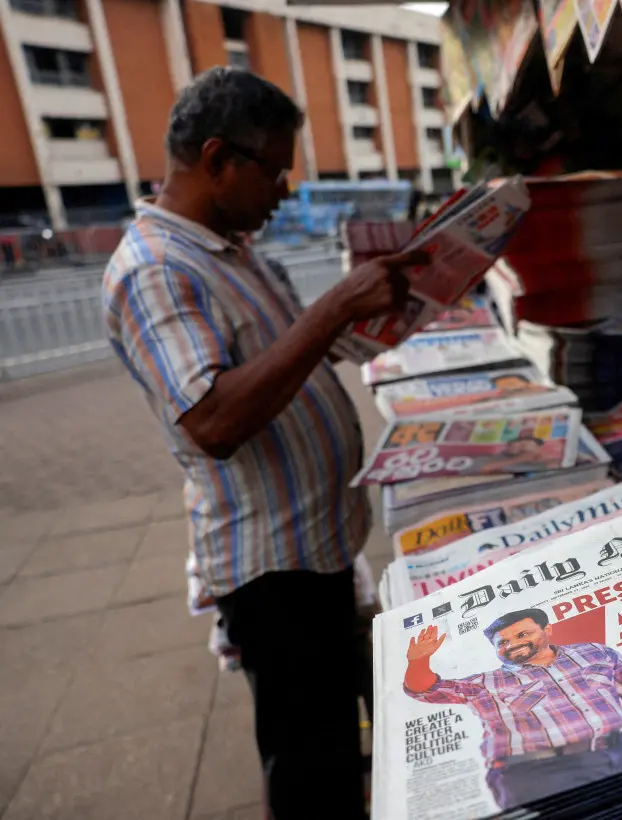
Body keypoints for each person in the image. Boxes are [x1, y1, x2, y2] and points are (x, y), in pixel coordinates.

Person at [103, 67, 428, 819]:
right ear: (218, 161)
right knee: (311, 764)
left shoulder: (234, 249)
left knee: (345, 736)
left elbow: (304, 354)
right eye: (276, 171)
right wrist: (334, 306)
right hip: (270, 573)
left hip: (316, 549)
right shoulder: (156, 269)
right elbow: (213, 420)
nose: (285, 190)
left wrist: (404, 297)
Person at [403, 614, 622, 810]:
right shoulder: (486, 683)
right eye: (502, 642)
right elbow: (426, 690)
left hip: (619, 756)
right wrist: (419, 661)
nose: (511, 644)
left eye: (522, 634)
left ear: (547, 630)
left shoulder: (594, 653)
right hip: (537, 776)